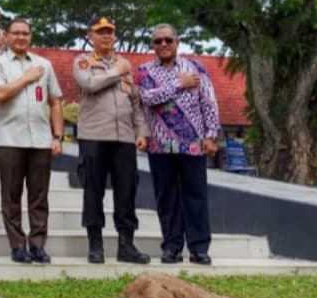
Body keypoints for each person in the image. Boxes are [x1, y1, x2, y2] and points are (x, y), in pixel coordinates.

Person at [135, 24, 221, 265]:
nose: (163, 44)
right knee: (167, 197)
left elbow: (208, 102)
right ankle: (171, 246)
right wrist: (178, 85)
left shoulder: (196, 68)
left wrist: (210, 135)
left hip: (192, 145)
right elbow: (148, 98)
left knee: (195, 195)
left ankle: (199, 248)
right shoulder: (144, 71)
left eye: (168, 40)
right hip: (160, 146)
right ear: (152, 45)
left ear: (177, 42)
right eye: (158, 41)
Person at [73, 16, 151, 265]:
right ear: (91, 36)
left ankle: (126, 245)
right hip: (94, 135)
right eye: (101, 32)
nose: (106, 36)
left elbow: (135, 101)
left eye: (110, 32)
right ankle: (95, 244)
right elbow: (90, 84)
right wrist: (114, 73)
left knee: (127, 190)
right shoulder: (83, 61)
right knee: (93, 190)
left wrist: (141, 132)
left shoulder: (124, 63)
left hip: (124, 137)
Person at [0, 18, 63, 265]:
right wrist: (26, 79)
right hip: (10, 138)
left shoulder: (45, 64)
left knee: (39, 196)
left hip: (41, 139)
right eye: (16, 33)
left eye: (25, 33)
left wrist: (58, 136)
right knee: (11, 195)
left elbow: (55, 102)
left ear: (31, 37)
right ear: (6, 36)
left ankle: (38, 244)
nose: (21, 37)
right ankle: (17, 245)